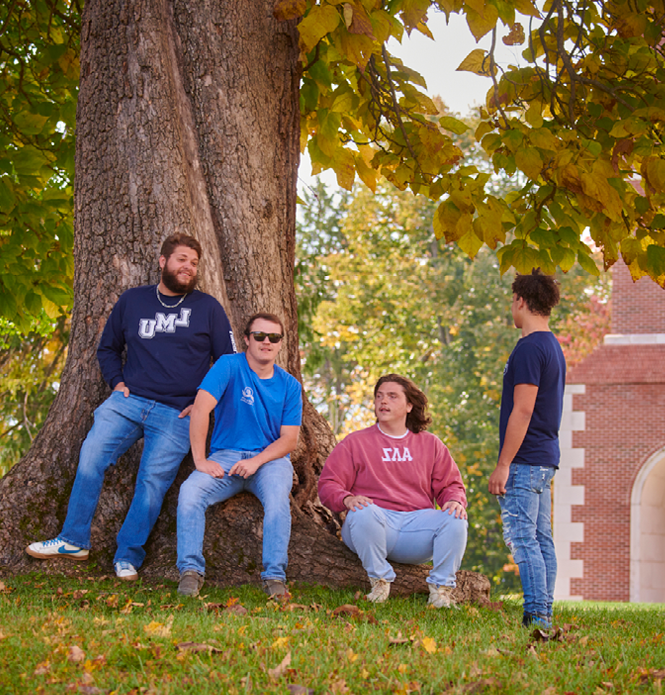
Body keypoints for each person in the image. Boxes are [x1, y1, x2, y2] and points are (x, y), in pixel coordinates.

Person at [26, 232, 235, 581]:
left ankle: (127, 556)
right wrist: (116, 383)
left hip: (176, 413)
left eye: (194, 263)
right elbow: (107, 348)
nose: (188, 267)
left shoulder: (208, 309)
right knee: (91, 457)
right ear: (163, 261)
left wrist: (201, 404)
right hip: (128, 401)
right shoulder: (133, 301)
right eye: (182, 259)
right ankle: (73, 539)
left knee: (151, 484)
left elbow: (228, 365)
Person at [176, 313, 302, 599]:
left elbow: (289, 440)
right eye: (259, 336)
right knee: (190, 492)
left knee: (278, 502)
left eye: (274, 337)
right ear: (246, 339)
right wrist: (200, 461)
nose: (266, 342)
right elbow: (200, 409)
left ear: (281, 344)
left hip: (269, 461)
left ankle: (274, 577)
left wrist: (256, 461)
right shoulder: (229, 366)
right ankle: (190, 571)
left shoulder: (290, 385)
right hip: (226, 457)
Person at [318, 374, 469, 608]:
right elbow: (328, 484)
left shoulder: (430, 444)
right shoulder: (355, 442)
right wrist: (347, 498)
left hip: (417, 527)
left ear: (409, 405)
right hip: (372, 523)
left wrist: (455, 500)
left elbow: (451, 485)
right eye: (379, 396)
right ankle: (379, 582)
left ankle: (441, 591)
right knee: (362, 511)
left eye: (391, 396)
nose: (383, 402)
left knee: (456, 519)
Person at [488, 270, 566, 629]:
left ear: (521, 300)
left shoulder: (529, 348)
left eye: (512, 300)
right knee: (541, 538)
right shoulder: (552, 346)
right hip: (546, 458)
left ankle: (537, 615)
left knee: (523, 540)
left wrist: (504, 463)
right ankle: (544, 611)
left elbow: (523, 409)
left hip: (525, 459)